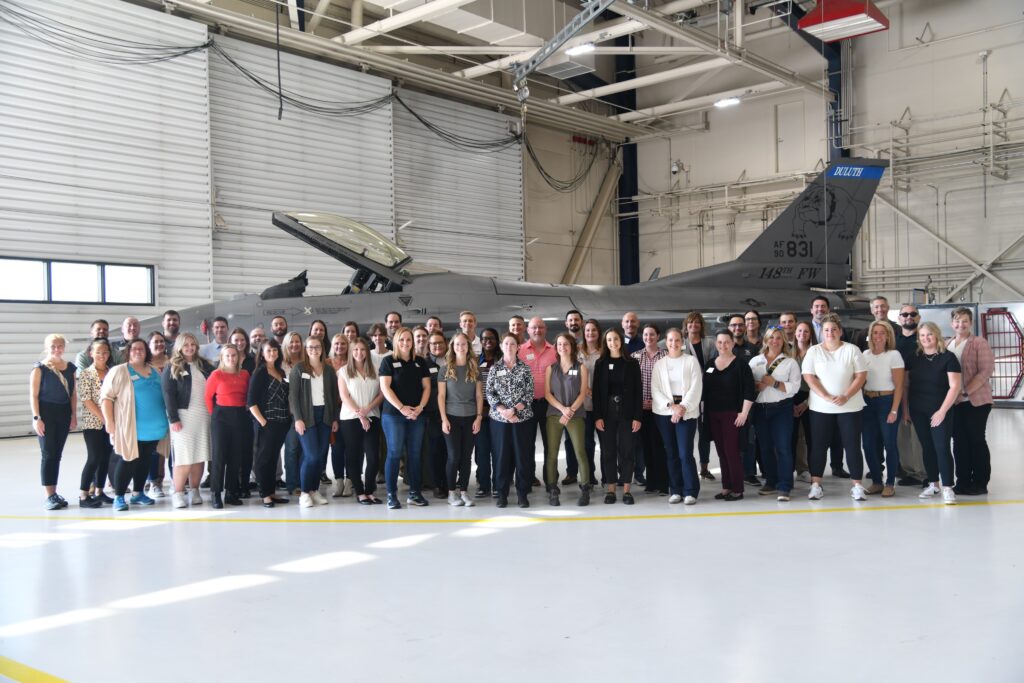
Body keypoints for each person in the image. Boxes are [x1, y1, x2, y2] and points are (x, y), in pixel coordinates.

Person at [801, 314, 868, 501]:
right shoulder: (814, 351)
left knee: (852, 446)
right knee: (818, 447)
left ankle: (857, 486)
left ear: (840, 332)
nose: (830, 333)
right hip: (821, 408)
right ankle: (816, 485)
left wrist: (846, 395)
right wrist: (825, 396)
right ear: (822, 333)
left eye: (834, 329)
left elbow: (861, 376)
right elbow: (809, 377)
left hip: (850, 406)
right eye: (826, 330)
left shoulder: (852, 349)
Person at [100, 339, 168, 511]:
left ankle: (138, 493)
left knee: (145, 461)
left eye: (142, 349)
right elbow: (106, 398)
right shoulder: (119, 371)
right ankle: (119, 496)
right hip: (131, 428)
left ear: (147, 352)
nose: (138, 351)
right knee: (128, 460)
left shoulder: (154, 371)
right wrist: (109, 422)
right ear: (129, 351)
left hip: (154, 429)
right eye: (134, 349)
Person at [905, 322, 962, 505]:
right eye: (922, 335)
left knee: (942, 448)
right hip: (918, 410)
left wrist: (942, 411)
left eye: (929, 334)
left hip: (941, 410)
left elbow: (954, 387)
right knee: (927, 447)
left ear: (936, 335)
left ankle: (947, 487)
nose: (926, 338)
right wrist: (906, 410)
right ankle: (933, 483)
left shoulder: (948, 357)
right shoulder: (914, 357)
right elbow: (906, 386)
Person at [379, 327, 431, 509]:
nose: (405, 343)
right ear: (396, 342)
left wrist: (420, 407)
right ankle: (392, 495)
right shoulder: (388, 361)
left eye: (408, 339)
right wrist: (401, 408)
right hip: (394, 415)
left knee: (415, 454)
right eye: (401, 340)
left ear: (413, 342)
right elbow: (385, 388)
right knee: (394, 453)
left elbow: (427, 388)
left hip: (417, 414)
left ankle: (414, 493)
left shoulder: (420, 362)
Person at [651, 328, 703, 505]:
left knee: (685, 453)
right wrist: (671, 406)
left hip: (687, 413)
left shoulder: (691, 361)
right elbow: (655, 389)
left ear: (683, 342)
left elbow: (696, 387)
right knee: (671, 452)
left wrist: (682, 407)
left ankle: (690, 491)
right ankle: (675, 490)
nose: (674, 343)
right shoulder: (660, 364)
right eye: (671, 340)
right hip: (665, 412)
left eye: (677, 340)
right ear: (666, 342)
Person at [702, 330, 756, 501]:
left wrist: (744, 413)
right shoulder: (710, 364)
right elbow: (704, 391)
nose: (723, 345)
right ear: (716, 344)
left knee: (732, 452)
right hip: (714, 414)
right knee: (721, 452)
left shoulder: (741, 364)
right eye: (720, 342)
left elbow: (749, 390)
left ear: (733, 343)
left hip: (733, 415)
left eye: (726, 342)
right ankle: (726, 487)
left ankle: (738, 489)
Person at [749, 327, 801, 501]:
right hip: (760, 409)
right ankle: (771, 481)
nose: (775, 341)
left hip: (782, 409)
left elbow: (794, 388)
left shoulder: (790, 362)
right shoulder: (755, 361)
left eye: (778, 338)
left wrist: (774, 383)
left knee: (783, 447)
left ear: (783, 341)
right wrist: (758, 386)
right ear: (766, 341)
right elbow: (748, 386)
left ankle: (785, 485)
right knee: (765, 447)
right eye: (771, 338)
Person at [163, 333, 214, 509]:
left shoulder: (205, 365)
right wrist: (174, 418)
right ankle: (178, 492)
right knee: (184, 457)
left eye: (193, 344)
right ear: (179, 347)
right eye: (186, 345)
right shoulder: (172, 367)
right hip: (183, 416)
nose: (190, 348)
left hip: (203, 415)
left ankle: (195, 490)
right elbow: (168, 395)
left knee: (200, 455)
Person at [947, 307, 994, 496]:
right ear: (952, 324)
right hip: (954, 403)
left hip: (976, 401)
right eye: (957, 321)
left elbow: (985, 371)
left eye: (965, 321)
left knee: (976, 440)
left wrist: (964, 393)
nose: (961, 324)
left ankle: (980, 482)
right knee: (958, 442)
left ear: (971, 323)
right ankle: (963, 480)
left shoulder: (979, 343)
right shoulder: (948, 343)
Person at [593, 328, 642, 505]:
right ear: (605, 343)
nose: (612, 343)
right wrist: (597, 416)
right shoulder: (600, 364)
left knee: (627, 451)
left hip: (627, 412)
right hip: (606, 413)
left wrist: (638, 417)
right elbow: (597, 393)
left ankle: (627, 490)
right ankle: (611, 489)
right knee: (608, 451)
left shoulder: (631, 363)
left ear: (621, 341)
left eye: (615, 339)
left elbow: (638, 392)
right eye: (609, 340)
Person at [486, 333, 535, 509]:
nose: (509, 346)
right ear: (501, 346)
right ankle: (502, 494)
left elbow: (529, 394)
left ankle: (522, 494)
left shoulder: (525, 368)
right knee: (501, 457)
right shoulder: (494, 369)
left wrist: (514, 410)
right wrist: (503, 411)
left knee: (522, 457)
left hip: (522, 419)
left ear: (518, 347)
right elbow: (490, 393)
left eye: (512, 344)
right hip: (499, 421)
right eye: (506, 343)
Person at [290, 336, 340, 508]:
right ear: (306, 348)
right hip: (307, 416)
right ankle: (304, 492)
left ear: (322, 348)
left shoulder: (328, 369)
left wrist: (334, 418)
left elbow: (333, 395)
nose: (314, 350)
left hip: (325, 416)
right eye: (310, 347)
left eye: (317, 346)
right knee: (311, 455)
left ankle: (314, 490)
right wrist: (298, 419)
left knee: (320, 456)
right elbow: (293, 397)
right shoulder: (298, 368)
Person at [30, 334, 78, 510]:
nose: (57, 349)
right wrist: (37, 418)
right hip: (46, 413)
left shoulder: (71, 368)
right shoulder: (40, 368)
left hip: (63, 413)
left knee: (57, 455)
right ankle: (49, 495)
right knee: (48, 454)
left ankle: (54, 492)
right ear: (46, 347)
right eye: (53, 346)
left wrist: (73, 416)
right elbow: (33, 395)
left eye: (60, 346)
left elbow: (73, 394)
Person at [543, 332, 590, 506]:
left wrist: (570, 411)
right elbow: (548, 394)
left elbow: (583, 393)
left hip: (575, 414)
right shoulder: (551, 368)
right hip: (554, 414)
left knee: (580, 451)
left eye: (566, 344)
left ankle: (585, 488)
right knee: (552, 453)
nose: (562, 347)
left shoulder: (581, 368)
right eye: (559, 344)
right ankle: (552, 488)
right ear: (556, 347)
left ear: (572, 347)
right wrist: (563, 409)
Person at [438, 332, 483, 507]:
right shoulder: (445, 369)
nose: (460, 347)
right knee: (453, 456)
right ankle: (451, 493)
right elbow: (441, 396)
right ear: (452, 347)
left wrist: (479, 417)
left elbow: (479, 395)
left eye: (464, 344)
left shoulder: (475, 369)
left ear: (468, 347)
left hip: (471, 417)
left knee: (466, 457)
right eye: (457, 344)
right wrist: (443, 419)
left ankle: (463, 491)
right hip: (451, 417)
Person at [204, 345, 252, 509]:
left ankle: (231, 492)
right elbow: (208, 397)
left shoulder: (245, 374)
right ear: (222, 358)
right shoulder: (216, 375)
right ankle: (216, 493)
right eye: (227, 356)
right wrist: (215, 416)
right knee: (219, 456)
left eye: (234, 355)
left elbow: (248, 395)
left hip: (240, 416)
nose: (231, 358)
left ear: (238, 357)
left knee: (235, 456)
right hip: (221, 418)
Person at [861, 321, 905, 497]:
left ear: (888, 336)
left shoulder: (894, 355)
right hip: (867, 401)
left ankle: (890, 483)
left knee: (889, 444)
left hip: (887, 401)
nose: (878, 336)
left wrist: (894, 410)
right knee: (868, 445)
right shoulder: (865, 354)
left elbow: (900, 386)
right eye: (875, 333)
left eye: (882, 333)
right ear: (870, 335)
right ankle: (877, 482)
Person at [337, 338, 383, 505]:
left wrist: (367, 410)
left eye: (362, 349)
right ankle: (360, 491)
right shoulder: (343, 371)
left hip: (373, 416)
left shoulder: (376, 370)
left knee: (373, 457)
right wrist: (360, 414)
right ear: (351, 352)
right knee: (354, 455)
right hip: (350, 419)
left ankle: (369, 490)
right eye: (355, 349)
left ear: (367, 352)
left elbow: (381, 394)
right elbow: (344, 396)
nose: (359, 353)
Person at [246, 339, 292, 508]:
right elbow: (251, 402)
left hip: (281, 422)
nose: (272, 353)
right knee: (263, 458)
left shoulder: (281, 372)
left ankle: (272, 492)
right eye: (268, 351)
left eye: (274, 350)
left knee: (273, 458)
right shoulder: (259, 372)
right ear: (262, 354)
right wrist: (263, 422)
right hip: (266, 423)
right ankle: (264, 494)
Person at [519, 317, 556, 487]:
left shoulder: (555, 351)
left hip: (549, 404)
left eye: (540, 327)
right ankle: (529, 477)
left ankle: (550, 478)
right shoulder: (520, 351)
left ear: (546, 329)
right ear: (528, 330)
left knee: (551, 443)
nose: (537, 331)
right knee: (527, 443)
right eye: (534, 327)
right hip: (527, 404)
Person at [77, 339, 114, 507]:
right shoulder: (86, 374)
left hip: (111, 423)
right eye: (98, 352)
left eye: (105, 352)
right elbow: (87, 400)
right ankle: (84, 495)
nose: (102, 355)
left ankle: (99, 491)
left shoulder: (112, 372)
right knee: (94, 457)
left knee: (106, 457)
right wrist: (105, 418)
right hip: (93, 423)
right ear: (91, 353)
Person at [894, 304, 928, 486]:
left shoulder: (923, 339)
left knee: (919, 436)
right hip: (897, 394)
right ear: (899, 318)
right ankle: (909, 472)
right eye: (905, 314)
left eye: (913, 314)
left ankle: (924, 472)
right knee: (903, 435)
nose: (909, 317)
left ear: (918, 317)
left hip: (920, 394)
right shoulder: (893, 341)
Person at [632, 324, 667, 495]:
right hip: (642, 410)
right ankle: (651, 482)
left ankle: (663, 482)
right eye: (645, 335)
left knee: (660, 445)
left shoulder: (666, 355)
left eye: (652, 334)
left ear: (658, 336)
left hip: (661, 409)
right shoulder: (635, 357)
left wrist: (655, 401)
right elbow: (630, 386)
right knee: (646, 446)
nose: (648, 337)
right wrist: (639, 403)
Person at [682, 311, 715, 482]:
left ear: (701, 326)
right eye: (690, 323)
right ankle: (686, 466)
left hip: (705, 394)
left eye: (697, 323)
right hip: (686, 394)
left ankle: (704, 467)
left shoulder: (709, 343)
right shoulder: (680, 343)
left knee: (704, 432)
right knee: (686, 431)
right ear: (686, 326)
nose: (694, 326)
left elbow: (715, 364)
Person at [575, 319, 603, 487]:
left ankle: (608, 477)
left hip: (601, 405)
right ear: (583, 333)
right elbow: (571, 374)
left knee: (606, 443)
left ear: (598, 332)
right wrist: (584, 389)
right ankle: (589, 476)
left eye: (593, 330)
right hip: (582, 405)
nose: (590, 333)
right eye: (587, 330)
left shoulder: (604, 351)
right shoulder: (577, 352)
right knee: (586, 444)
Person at [473, 327, 500, 498]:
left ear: (497, 341)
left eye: (491, 338)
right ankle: (483, 484)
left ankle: (498, 484)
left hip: (499, 413)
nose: (487, 341)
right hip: (480, 414)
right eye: (484, 338)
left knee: (498, 451)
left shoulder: (503, 360)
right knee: (481, 451)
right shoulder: (475, 361)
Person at [280, 331, 306, 495]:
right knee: (291, 448)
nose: (295, 345)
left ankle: (304, 482)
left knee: (305, 449)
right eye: (291, 342)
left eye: (297, 341)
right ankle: (292, 484)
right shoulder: (281, 365)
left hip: (305, 412)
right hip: (288, 414)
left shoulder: (307, 363)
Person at [326, 333, 351, 496]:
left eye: (343, 344)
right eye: (336, 344)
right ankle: (339, 482)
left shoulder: (353, 362)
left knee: (351, 447)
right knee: (336, 447)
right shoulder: (326, 364)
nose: (339, 347)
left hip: (350, 409)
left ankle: (350, 481)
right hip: (332, 411)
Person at [792, 321, 817, 483]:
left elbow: (820, 380)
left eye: (806, 331)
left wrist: (805, 403)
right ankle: (795, 469)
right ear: (795, 333)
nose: (802, 334)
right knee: (792, 437)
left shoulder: (816, 352)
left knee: (811, 438)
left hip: (812, 398)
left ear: (810, 334)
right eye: (799, 331)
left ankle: (812, 471)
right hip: (792, 398)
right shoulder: (788, 352)